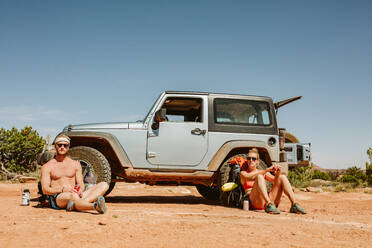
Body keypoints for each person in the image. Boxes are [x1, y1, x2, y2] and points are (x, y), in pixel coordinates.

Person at [41, 134, 109, 213]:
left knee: (104, 185)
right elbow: (45, 190)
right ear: (55, 146)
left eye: (65, 145)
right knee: (73, 196)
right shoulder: (47, 166)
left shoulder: (75, 164)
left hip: (75, 194)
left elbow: (81, 184)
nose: (62, 147)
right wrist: (62, 189)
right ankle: (94, 206)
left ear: (68, 147)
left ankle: (74, 205)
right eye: (59, 145)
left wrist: (80, 190)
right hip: (59, 196)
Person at [232, 148, 306, 214]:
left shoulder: (263, 172)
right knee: (259, 177)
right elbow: (251, 177)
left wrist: (277, 172)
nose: (251, 160)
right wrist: (267, 170)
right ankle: (269, 204)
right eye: (249, 158)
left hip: (269, 200)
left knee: (282, 177)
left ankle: (294, 204)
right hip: (255, 202)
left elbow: (274, 180)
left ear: (257, 161)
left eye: (253, 159)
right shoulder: (243, 173)